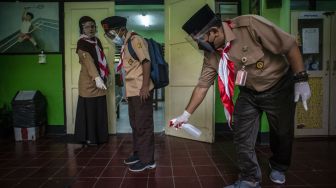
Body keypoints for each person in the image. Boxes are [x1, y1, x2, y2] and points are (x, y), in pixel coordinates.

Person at [171, 5, 311, 188]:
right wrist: (185, 115)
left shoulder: (250, 25)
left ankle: (279, 165)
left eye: (200, 38)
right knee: (241, 134)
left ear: (214, 32)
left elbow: (289, 45)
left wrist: (300, 78)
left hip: (278, 86)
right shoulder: (212, 54)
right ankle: (249, 179)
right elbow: (202, 86)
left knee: (282, 132)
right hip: (249, 93)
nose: (199, 44)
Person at [101, 16, 156, 172]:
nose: (112, 37)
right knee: (135, 124)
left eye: (112, 33)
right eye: (109, 35)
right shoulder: (126, 44)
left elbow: (146, 62)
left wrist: (145, 86)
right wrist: (126, 91)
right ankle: (139, 154)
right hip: (132, 91)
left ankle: (148, 160)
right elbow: (129, 70)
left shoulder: (135, 40)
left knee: (143, 125)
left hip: (141, 90)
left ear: (121, 30)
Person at [74, 16, 109, 147]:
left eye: (93, 26)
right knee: (89, 111)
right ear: (82, 28)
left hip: (100, 81)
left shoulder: (97, 41)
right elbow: (88, 61)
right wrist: (97, 77)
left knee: (99, 110)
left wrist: (107, 74)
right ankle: (89, 138)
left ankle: (101, 137)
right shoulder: (82, 43)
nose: (91, 29)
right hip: (88, 82)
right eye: (87, 26)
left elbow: (102, 58)